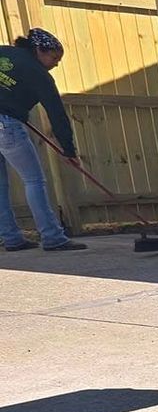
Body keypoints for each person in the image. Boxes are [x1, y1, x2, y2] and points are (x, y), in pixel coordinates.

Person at [0, 28, 87, 253]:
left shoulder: (3, 53)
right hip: (6, 125)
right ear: (39, 50)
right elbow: (56, 113)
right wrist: (69, 150)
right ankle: (52, 237)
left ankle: (10, 238)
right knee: (34, 181)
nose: (56, 64)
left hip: (6, 118)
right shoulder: (38, 73)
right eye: (55, 58)